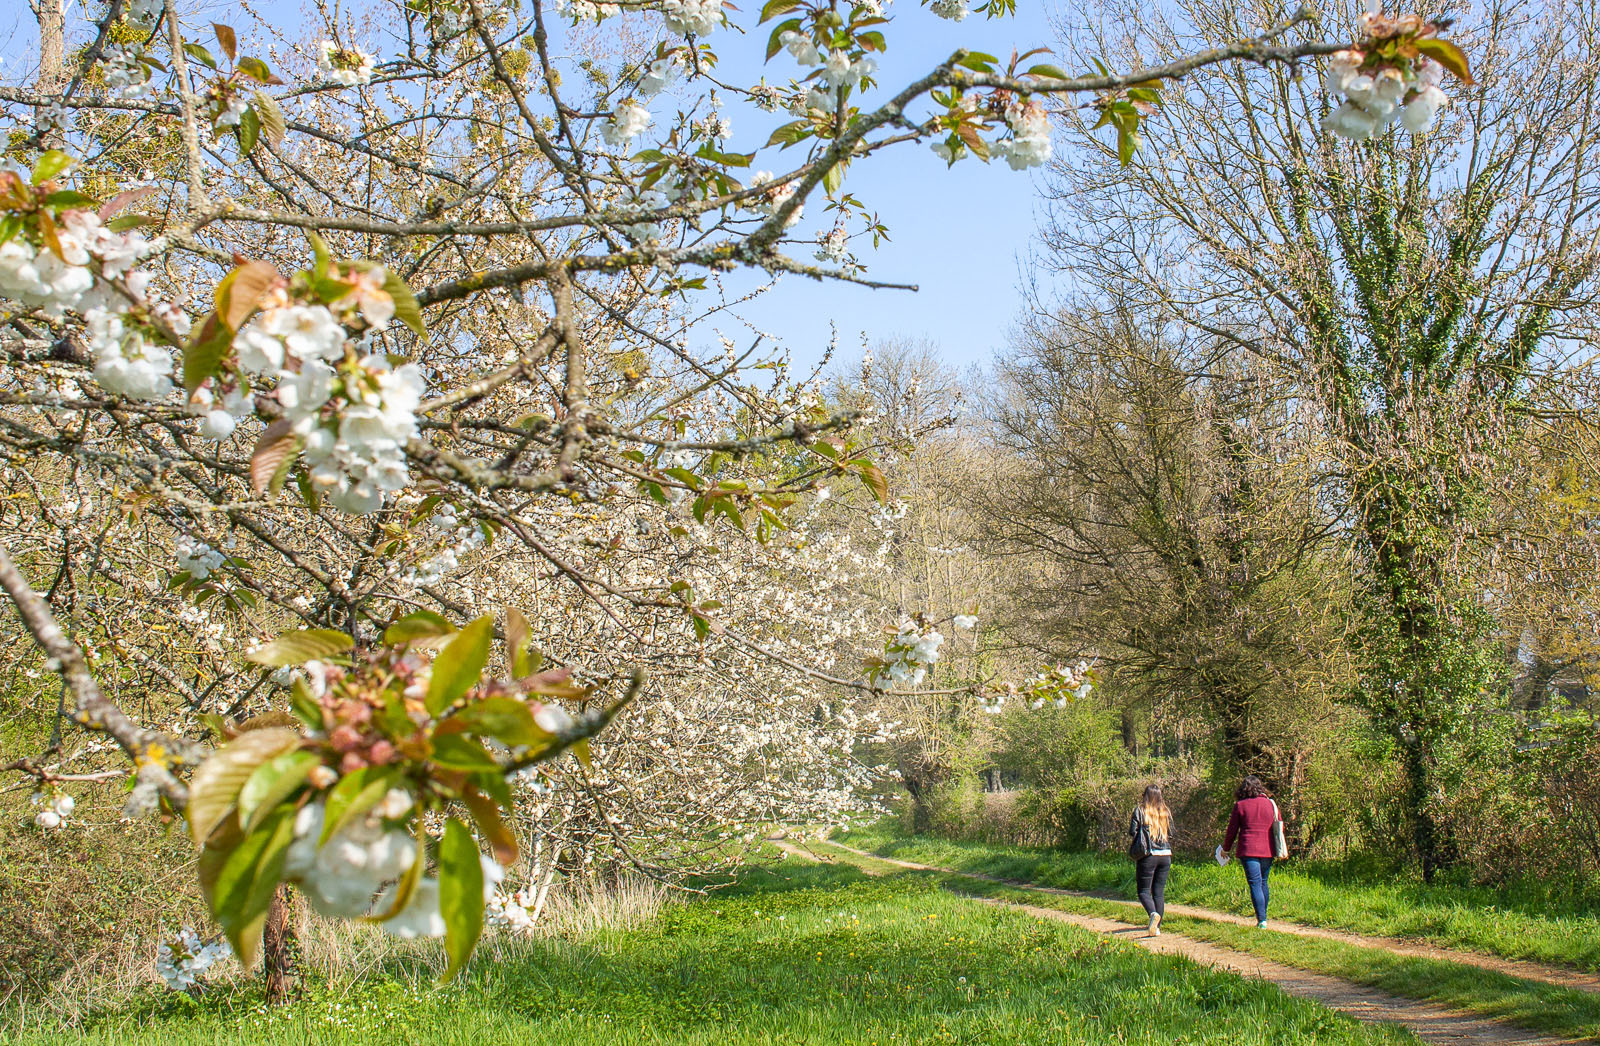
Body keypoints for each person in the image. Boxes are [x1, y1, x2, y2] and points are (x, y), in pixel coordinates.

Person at [1222, 774, 1279, 927]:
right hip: (1268, 849)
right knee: (1263, 882)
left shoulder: (1240, 805)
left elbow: (1232, 830)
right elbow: (1279, 824)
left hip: (1248, 849)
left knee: (1255, 883)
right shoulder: (1270, 804)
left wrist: (1225, 849)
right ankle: (1263, 917)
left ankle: (1262, 920)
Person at [1128, 784, 1173, 936]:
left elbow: (1132, 831)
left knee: (1143, 891)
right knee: (1158, 892)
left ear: (1145, 795)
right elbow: (1171, 832)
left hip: (1148, 855)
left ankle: (1153, 914)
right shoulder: (1165, 811)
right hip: (1166, 855)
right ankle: (1157, 927)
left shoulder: (1140, 810)